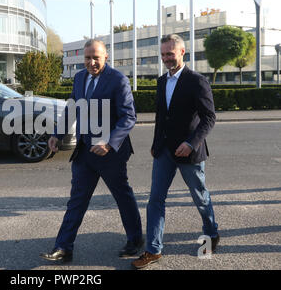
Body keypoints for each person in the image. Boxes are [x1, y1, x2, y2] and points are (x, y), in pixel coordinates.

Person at [39, 39, 143, 263]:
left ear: (106, 56)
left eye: (96, 57)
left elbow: (129, 116)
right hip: (85, 152)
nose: (92, 62)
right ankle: (63, 247)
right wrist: (57, 134)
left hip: (111, 153)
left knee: (122, 197)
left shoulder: (118, 80)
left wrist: (109, 142)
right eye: (88, 57)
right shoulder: (79, 78)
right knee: (76, 200)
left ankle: (135, 241)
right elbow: (72, 109)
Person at [131, 34, 219, 269]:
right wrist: (155, 142)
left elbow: (209, 118)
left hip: (189, 152)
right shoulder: (161, 82)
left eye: (170, 53)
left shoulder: (197, 81)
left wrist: (191, 143)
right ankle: (153, 249)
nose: (166, 58)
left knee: (200, 196)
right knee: (155, 200)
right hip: (164, 152)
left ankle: (211, 232)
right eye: (163, 54)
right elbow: (162, 117)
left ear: (182, 52)